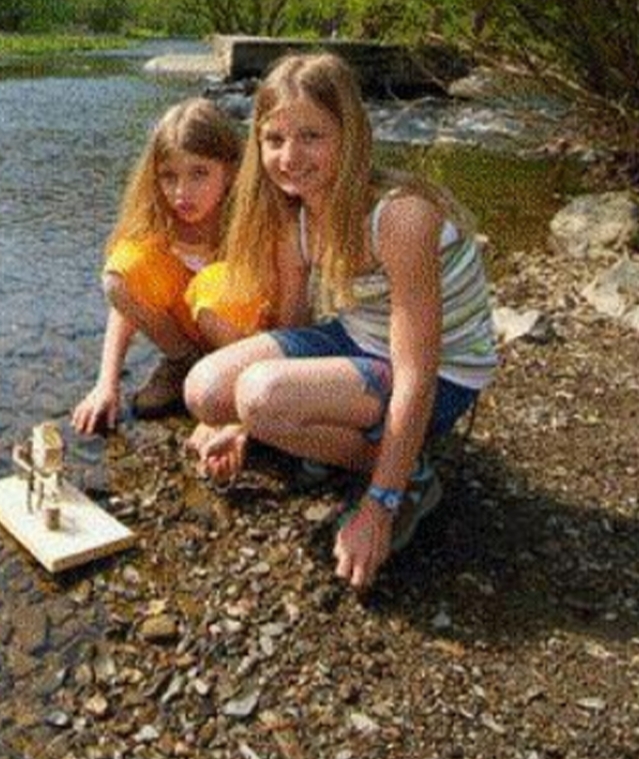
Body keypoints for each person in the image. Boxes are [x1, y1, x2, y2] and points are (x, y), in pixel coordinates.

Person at [182, 53, 498, 590]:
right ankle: (345, 443)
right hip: (360, 341)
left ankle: (409, 476)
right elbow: (292, 327)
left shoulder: (399, 218)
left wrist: (379, 505)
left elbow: (417, 370)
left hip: (441, 373)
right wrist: (239, 422)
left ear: (349, 136)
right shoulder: (296, 212)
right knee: (208, 389)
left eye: (311, 136)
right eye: (274, 138)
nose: (290, 156)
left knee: (261, 396)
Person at [71, 98, 263, 436]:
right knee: (121, 272)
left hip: (245, 346)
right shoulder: (161, 223)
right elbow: (124, 304)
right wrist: (106, 383)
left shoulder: (249, 221)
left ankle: (227, 393)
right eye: (168, 176)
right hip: (191, 342)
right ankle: (183, 364)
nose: (181, 192)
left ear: (230, 171)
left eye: (199, 174)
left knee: (213, 284)